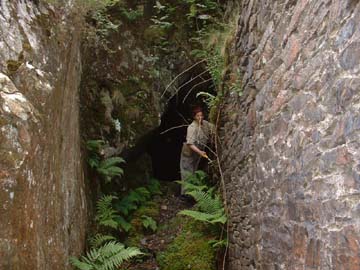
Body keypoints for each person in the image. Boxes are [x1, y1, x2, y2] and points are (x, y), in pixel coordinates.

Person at [180, 106, 215, 195]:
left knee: (194, 170)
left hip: (198, 153)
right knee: (187, 173)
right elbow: (190, 143)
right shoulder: (192, 127)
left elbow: (214, 130)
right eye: (198, 116)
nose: (200, 118)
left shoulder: (206, 124)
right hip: (189, 152)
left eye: (201, 115)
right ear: (194, 117)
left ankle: (193, 193)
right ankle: (185, 194)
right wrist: (200, 152)